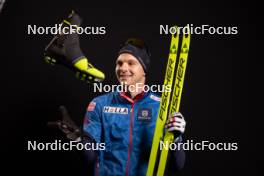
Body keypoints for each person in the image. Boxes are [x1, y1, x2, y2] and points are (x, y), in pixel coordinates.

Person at [82, 38, 186, 176]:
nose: (123, 68)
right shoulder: (99, 104)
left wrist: (176, 139)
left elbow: (177, 165)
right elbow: (89, 158)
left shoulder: (162, 107)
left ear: (144, 70)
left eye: (131, 63)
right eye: (119, 63)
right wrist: (78, 139)